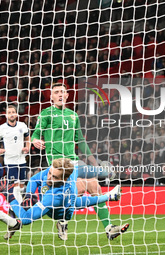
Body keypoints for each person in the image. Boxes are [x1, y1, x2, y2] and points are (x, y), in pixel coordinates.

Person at [31, 83, 119, 240]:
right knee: (71, 194)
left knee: (94, 186)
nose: (59, 94)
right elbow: (36, 133)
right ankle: (62, 220)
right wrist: (35, 141)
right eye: (56, 92)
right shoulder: (46, 114)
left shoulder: (73, 115)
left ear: (67, 96)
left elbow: (80, 140)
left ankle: (109, 228)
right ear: (51, 97)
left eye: (62, 92)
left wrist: (93, 161)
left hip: (74, 160)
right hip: (58, 163)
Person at [0, 158, 128, 240]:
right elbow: (34, 179)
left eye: (54, 177)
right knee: (79, 201)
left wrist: (9, 195)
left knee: (23, 211)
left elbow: (26, 219)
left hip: (55, 210)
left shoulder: (54, 197)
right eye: (50, 173)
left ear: (63, 179)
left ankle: (62, 223)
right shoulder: (65, 171)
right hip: (70, 202)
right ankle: (110, 197)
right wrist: (29, 195)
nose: (49, 178)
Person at [0, 105, 30, 185]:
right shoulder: (1, 128)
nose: (11, 114)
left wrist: (27, 147)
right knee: (14, 185)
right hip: (10, 161)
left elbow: (27, 138)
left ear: (16, 114)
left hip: (21, 159)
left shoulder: (22, 125)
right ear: (6, 115)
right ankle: (14, 197)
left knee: (22, 184)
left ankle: (21, 197)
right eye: (9, 113)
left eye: (13, 112)